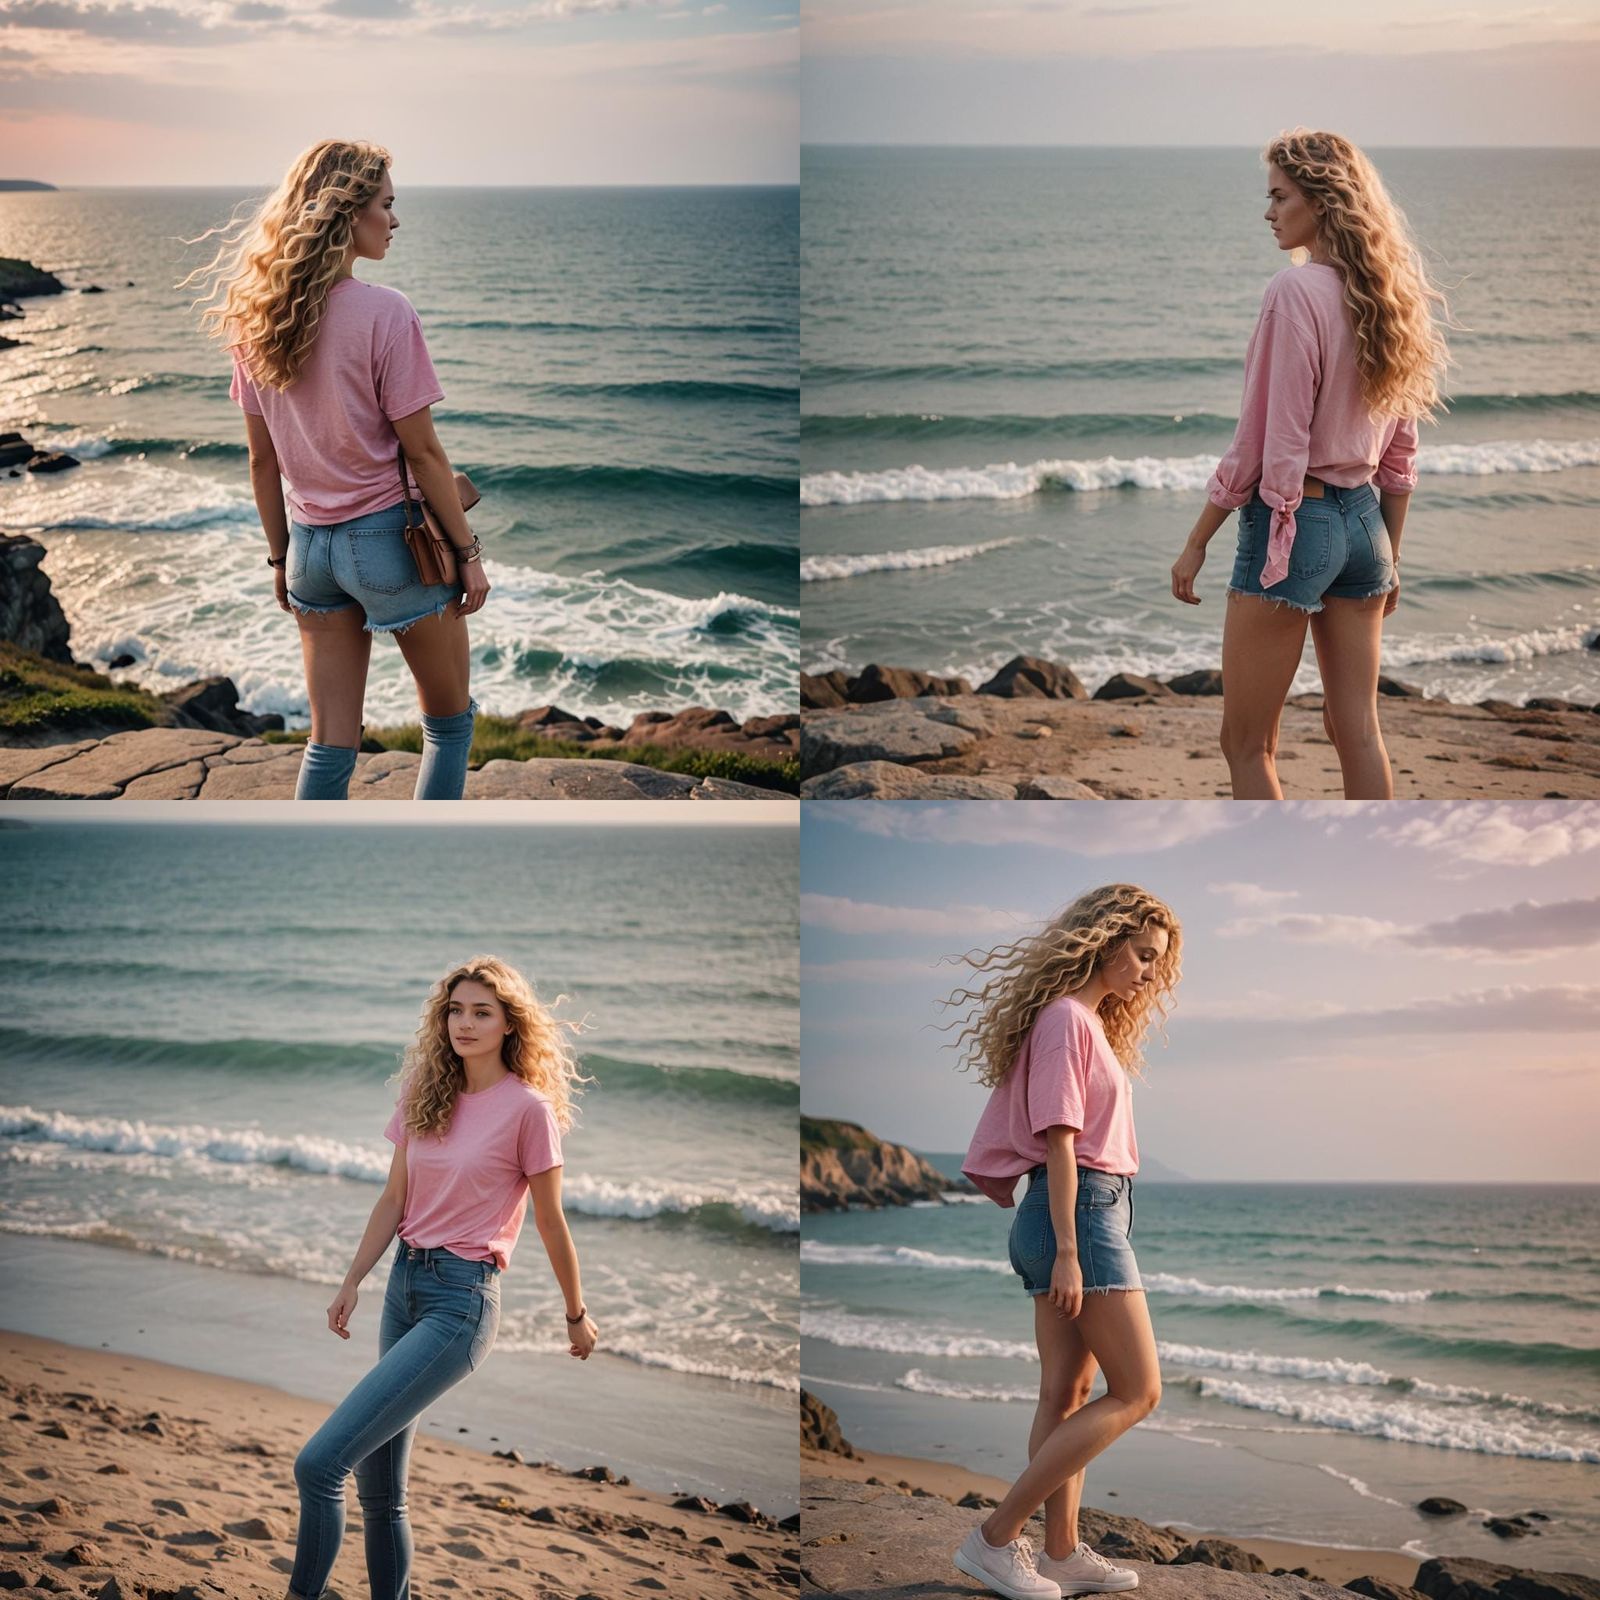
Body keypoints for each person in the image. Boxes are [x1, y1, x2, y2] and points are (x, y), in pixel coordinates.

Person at [285, 957, 599, 1600]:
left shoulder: (528, 1111)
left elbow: (550, 1221)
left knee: (318, 1465)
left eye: (482, 1011)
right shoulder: (424, 1093)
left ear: (511, 1023)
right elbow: (393, 1200)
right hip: (403, 1288)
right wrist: (352, 1282)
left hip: (461, 1305)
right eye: (456, 1009)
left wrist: (576, 1312)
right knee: (381, 1495)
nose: (465, 1022)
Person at [185, 139, 489, 800]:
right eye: (386, 205)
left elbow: (262, 463)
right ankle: (424, 878)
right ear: (347, 215)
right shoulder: (386, 313)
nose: (395, 220)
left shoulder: (256, 322)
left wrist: (277, 561)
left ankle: (307, 883)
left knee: (329, 745)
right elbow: (424, 453)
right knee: (449, 725)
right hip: (393, 549)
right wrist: (468, 553)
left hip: (310, 552)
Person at [1169, 129, 1451, 801]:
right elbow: (1401, 454)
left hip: (1294, 525)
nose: (1268, 212)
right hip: (1366, 531)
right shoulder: (1392, 296)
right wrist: (1392, 559)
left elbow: (1267, 446)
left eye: (1278, 196)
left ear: (1320, 202)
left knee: (1246, 744)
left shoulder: (1294, 293)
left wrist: (1196, 540)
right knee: (1358, 732)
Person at [945, 885, 1182, 1599]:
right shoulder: (1067, 1022)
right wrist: (1074, 1250)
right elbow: (1061, 1137)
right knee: (1139, 1390)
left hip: (1072, 1213)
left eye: (1155, 962)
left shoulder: (1082, 1022)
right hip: (1077, 1214)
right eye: (1141, 955)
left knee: (1066, 1391)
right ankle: (993, 1539)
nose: (1147, 972)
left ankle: (1061, 1553)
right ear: (1105, 941)